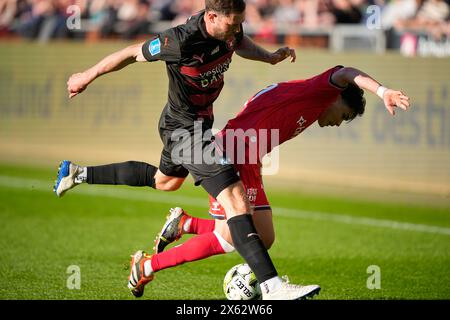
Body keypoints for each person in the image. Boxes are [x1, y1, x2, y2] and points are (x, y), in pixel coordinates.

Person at [54, 0, 314, 300]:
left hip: (196, 125)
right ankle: (273, 287)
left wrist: (269, 58)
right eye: (231, 24)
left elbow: (239, 42)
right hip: (183, 130)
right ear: (211, 16)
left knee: (165, 182)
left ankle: (76, 173)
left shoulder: (232, 27)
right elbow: (129, 53)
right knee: (236, 199)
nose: (236, 30)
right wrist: (86, 76)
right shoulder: (178, 40)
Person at [127, 65, 410, 299]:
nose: (338, 122)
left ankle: (183, 228)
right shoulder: (320, 90)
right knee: (230, 237)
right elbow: (347, 72)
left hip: (248, 156)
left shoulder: (310, 100)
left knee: (262, 236)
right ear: (337, 98)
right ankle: (151, 265)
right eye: (344, 116)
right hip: (235, 152)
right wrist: (382, 91)